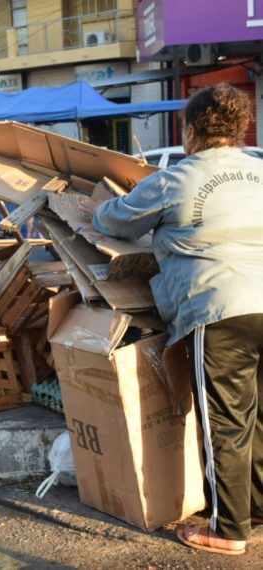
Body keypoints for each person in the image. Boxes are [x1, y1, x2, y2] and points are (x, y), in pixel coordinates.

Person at [87, 83, 263, 556]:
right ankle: (256, 509)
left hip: (221, 307)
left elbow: (113, 221)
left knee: (225, 419)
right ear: (241, 128)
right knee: (259, 415)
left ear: (190, 132)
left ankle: (228, 530)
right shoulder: (260, 169)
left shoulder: (176, 179)